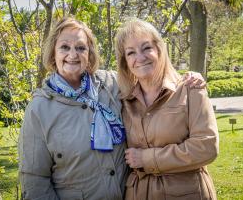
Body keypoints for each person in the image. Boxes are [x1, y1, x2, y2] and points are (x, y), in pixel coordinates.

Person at [18, 17, 206, 200]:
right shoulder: (39, 109)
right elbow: (34, 180)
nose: (73, 55)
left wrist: (187, 78)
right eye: (64, 47)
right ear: (53, 53)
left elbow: (150, 77)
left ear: (89, 54)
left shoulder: (112, 84)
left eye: (81, 48)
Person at [115, 18, 219, 200]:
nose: (140, 58)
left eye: (146, 48)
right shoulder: (123, 100)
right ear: (125, 61)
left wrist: (146, 159)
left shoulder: (189, 89)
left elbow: (206, 147)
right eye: (131, 53)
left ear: (159, 50)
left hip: (186, 194)